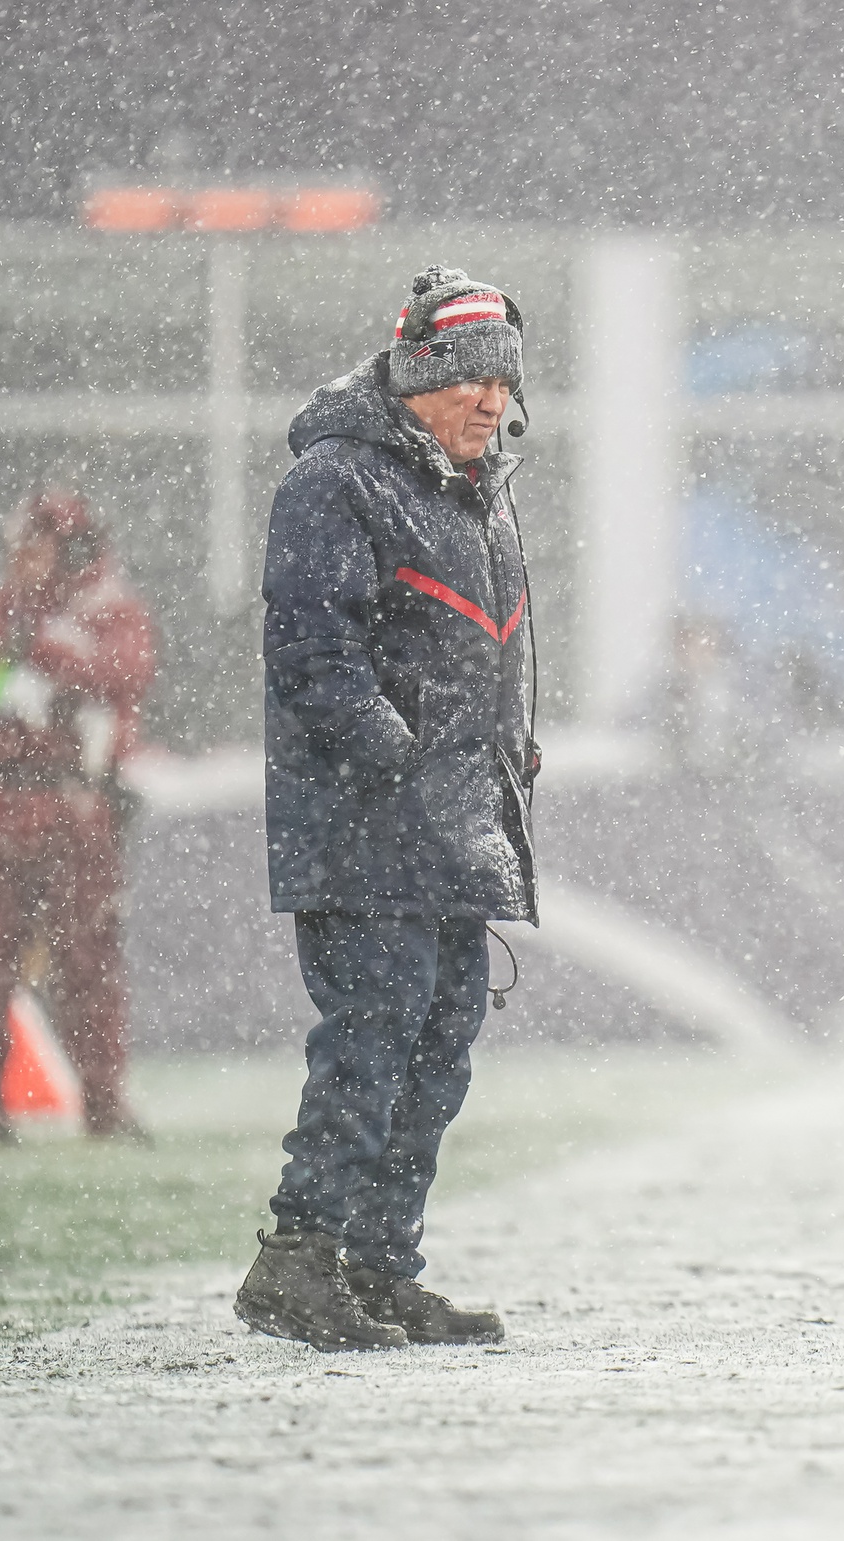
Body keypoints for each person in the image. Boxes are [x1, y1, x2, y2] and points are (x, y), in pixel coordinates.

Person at [234, 267, 539, 1352]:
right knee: (373, 1039)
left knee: (438, 1043)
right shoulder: (334, 480)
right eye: (467, 379)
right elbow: (311, 649)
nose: (489, 401)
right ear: (415, 376)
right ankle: (299, 1260)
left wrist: (493, 780)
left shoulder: (474, 491)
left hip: (449, 825)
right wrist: (395, 759)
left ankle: (374, 1266)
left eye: (503, 380)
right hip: (369, 826)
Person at [0, 490, 155, 1145]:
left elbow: (123, 672)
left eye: (34, 544)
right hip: (9, 815)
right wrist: (6, 680)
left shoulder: (105, 608)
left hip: (78, 815)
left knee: (90, 965)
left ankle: (103, 1103)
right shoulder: (3, 610)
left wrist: (44, 660)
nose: (19, 559)